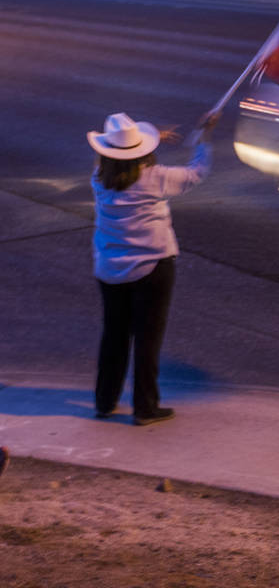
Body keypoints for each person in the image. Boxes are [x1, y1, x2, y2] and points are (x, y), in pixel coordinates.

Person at [89, 110, 218, 425]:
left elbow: (115, 160)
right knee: (147, 339)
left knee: (114, 337)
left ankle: (105, 402)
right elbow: (197, 172)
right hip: (152, 268)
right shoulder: (156, 177)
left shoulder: (99, 179)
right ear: (141, 152)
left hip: (110, 269)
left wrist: (148, 139)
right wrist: (204, 138)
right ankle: (145, 406)